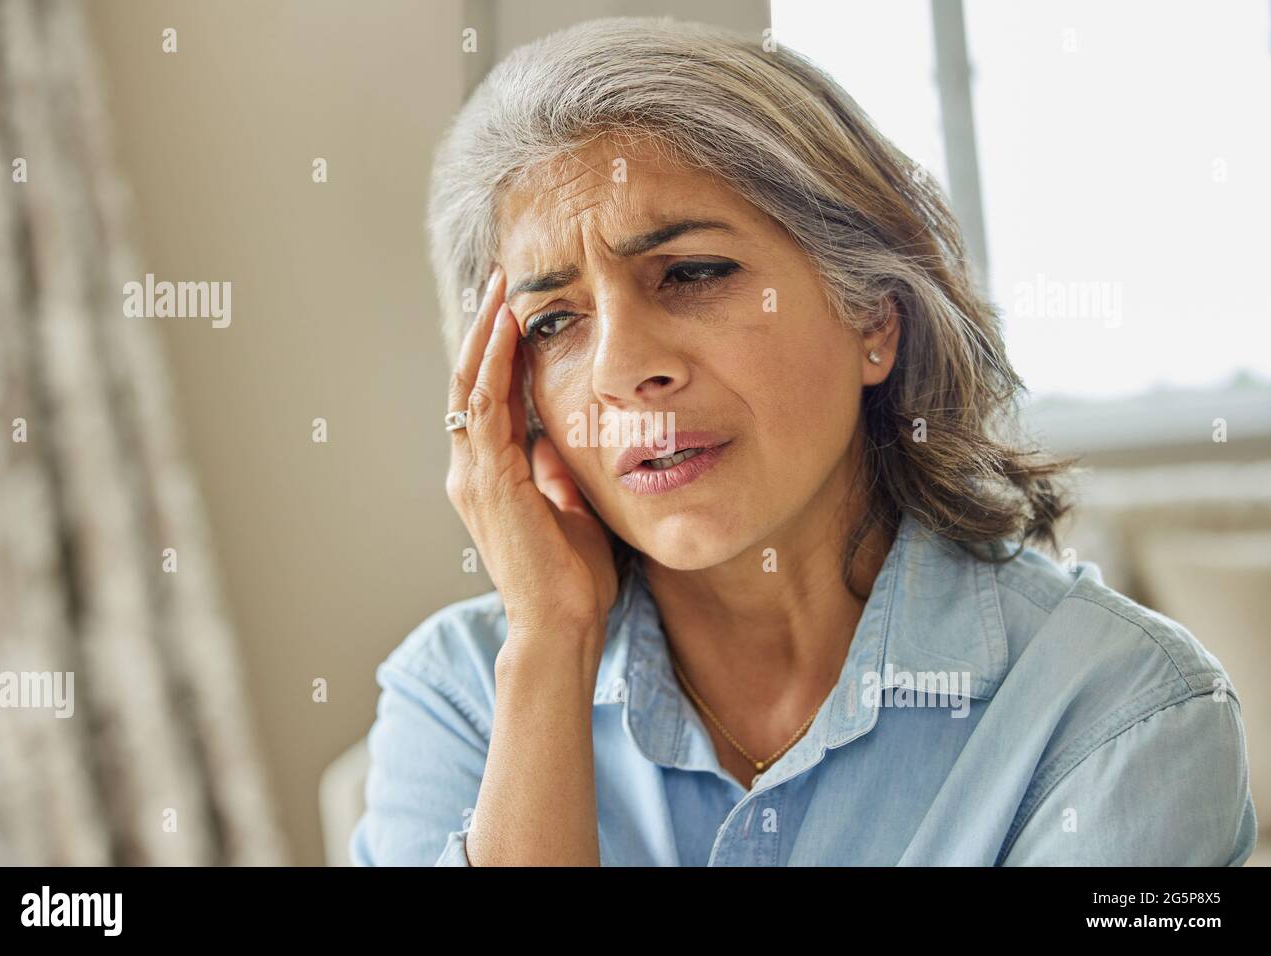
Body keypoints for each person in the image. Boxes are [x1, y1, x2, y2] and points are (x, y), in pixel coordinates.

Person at [350, 16, 1257, 866]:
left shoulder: (1128, 711)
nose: (622, 370)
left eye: (693, 273)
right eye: (552, 323)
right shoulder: (463, 695)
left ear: (874, 318)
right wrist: (550, 642)